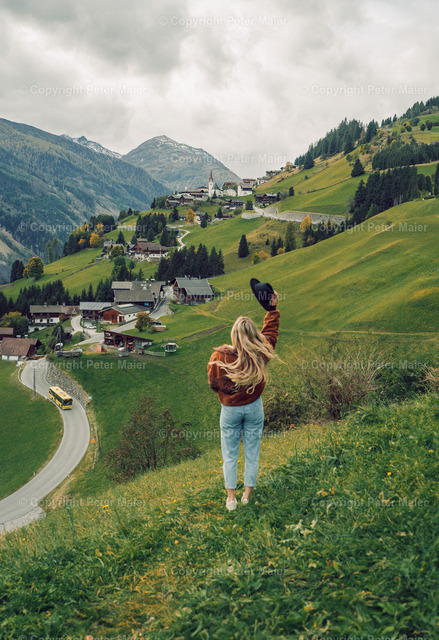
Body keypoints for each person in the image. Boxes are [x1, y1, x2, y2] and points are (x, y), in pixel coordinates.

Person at [207, 291, 280, 510]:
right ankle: (247, 495)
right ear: (254, 335)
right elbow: (270, 334)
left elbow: (213, 384)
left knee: (229, 455)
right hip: (254, 408)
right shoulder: (260, 352)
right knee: (252, 453)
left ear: (234, 335)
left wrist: (228, 393)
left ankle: (231, 499)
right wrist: (272, 309)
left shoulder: (219, 357)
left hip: (229, 410)